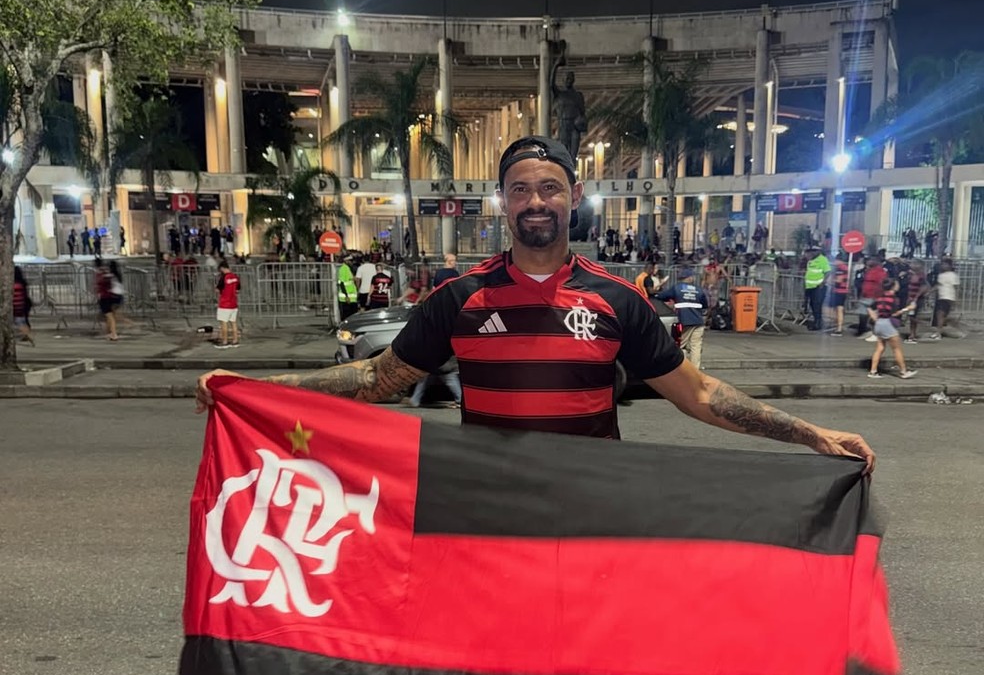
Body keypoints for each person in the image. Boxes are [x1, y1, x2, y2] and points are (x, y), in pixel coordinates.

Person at [196, 135, 875, 471]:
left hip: (591, 516)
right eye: (520, 190)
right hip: (492, 515)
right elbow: (378, 380)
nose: (536, 202)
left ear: (572, 197)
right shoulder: (459, 298)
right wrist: (254, 388)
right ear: (503, 204)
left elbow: (697, 394)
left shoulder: (618, 301)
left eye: (549, 187)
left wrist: (809, 434)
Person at [656, 269, 708, 370]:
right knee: (696, 347)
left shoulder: (677, 288)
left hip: (685, 320)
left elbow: (661, 296)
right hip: (698, 321)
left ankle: (682, 369)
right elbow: (705, 305)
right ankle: (694, 370)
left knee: (682, 345)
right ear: (689, 277)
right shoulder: (699, 290)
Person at [867, 278, 917, 379]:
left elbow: (870, 308)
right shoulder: (894, 298)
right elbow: (894, 313)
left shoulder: (879, 298)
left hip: (879, 324)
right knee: (896, 349)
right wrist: (908, 309)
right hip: (887, 324)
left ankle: (873, 371)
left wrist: (875, 318)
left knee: (879, 348)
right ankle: (903, 372)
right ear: (893, 286)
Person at [927, 258, 959, 340]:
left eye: (945, 264)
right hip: (941, 296)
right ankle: (939, 331)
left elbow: (956, 287)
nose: (943, 266)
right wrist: (929, 292)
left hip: (948, 297)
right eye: (942, 264)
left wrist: (955, 298)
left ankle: (939, 332)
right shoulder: (941, 275)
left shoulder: (953, 275)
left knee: (941, 315)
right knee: (940, 315)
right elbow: (938, 285)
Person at [803, 246, 831, 331]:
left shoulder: (823, 259)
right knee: (812, 305)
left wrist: (823, 282)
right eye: (811, 251)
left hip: (818, 287)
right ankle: (817, 321)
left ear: (818, 251)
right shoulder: (810, 260)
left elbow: (827, 272)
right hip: (810, 287)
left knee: (817, 305)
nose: (812, 253)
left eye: (814, 251)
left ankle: (818, 324)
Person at [215, 259, 241, 348]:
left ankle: (225, 341)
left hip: (224, 304)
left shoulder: (224, 278)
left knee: (224, 323)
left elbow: (218, 289)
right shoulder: (236, 277)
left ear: (222, 268)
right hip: (233, 303)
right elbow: (238, 290)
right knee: (233, 323)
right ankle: (235, 340)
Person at [902, 260, 928, 343]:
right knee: (911, 316)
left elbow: (924, 287)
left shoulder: (921, 276)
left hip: (916, 299)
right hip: (911, 298)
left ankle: (913, 334)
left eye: (914, 264)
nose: (911, 265)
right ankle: (912, 334)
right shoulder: (911, 274)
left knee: (913, 316)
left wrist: (916, 297)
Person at [93, 257, 119, 340]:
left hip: (104, 296)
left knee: (109, 316)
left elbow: (100, 284)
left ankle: (113, 334)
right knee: (109, 316)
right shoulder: (106, 272)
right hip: (108, 295)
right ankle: (111, 332)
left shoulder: (101, 274)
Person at [827, 252, 850, 336]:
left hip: (840, 291)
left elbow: (838, 280)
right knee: (837, 309)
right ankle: (838, 326)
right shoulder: (842, 268)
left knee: (839, 309)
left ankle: (839, 328)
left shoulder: (841, 268)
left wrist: (830, 280)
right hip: (839, 291)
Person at [12, 265, 35, 346]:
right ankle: (28, 335)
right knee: (21, 322)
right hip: (21, 306)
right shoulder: (21, 283)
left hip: (16, 306)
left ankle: (29, 336)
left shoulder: (14, 285)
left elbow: (15, 297)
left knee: (20, 322)